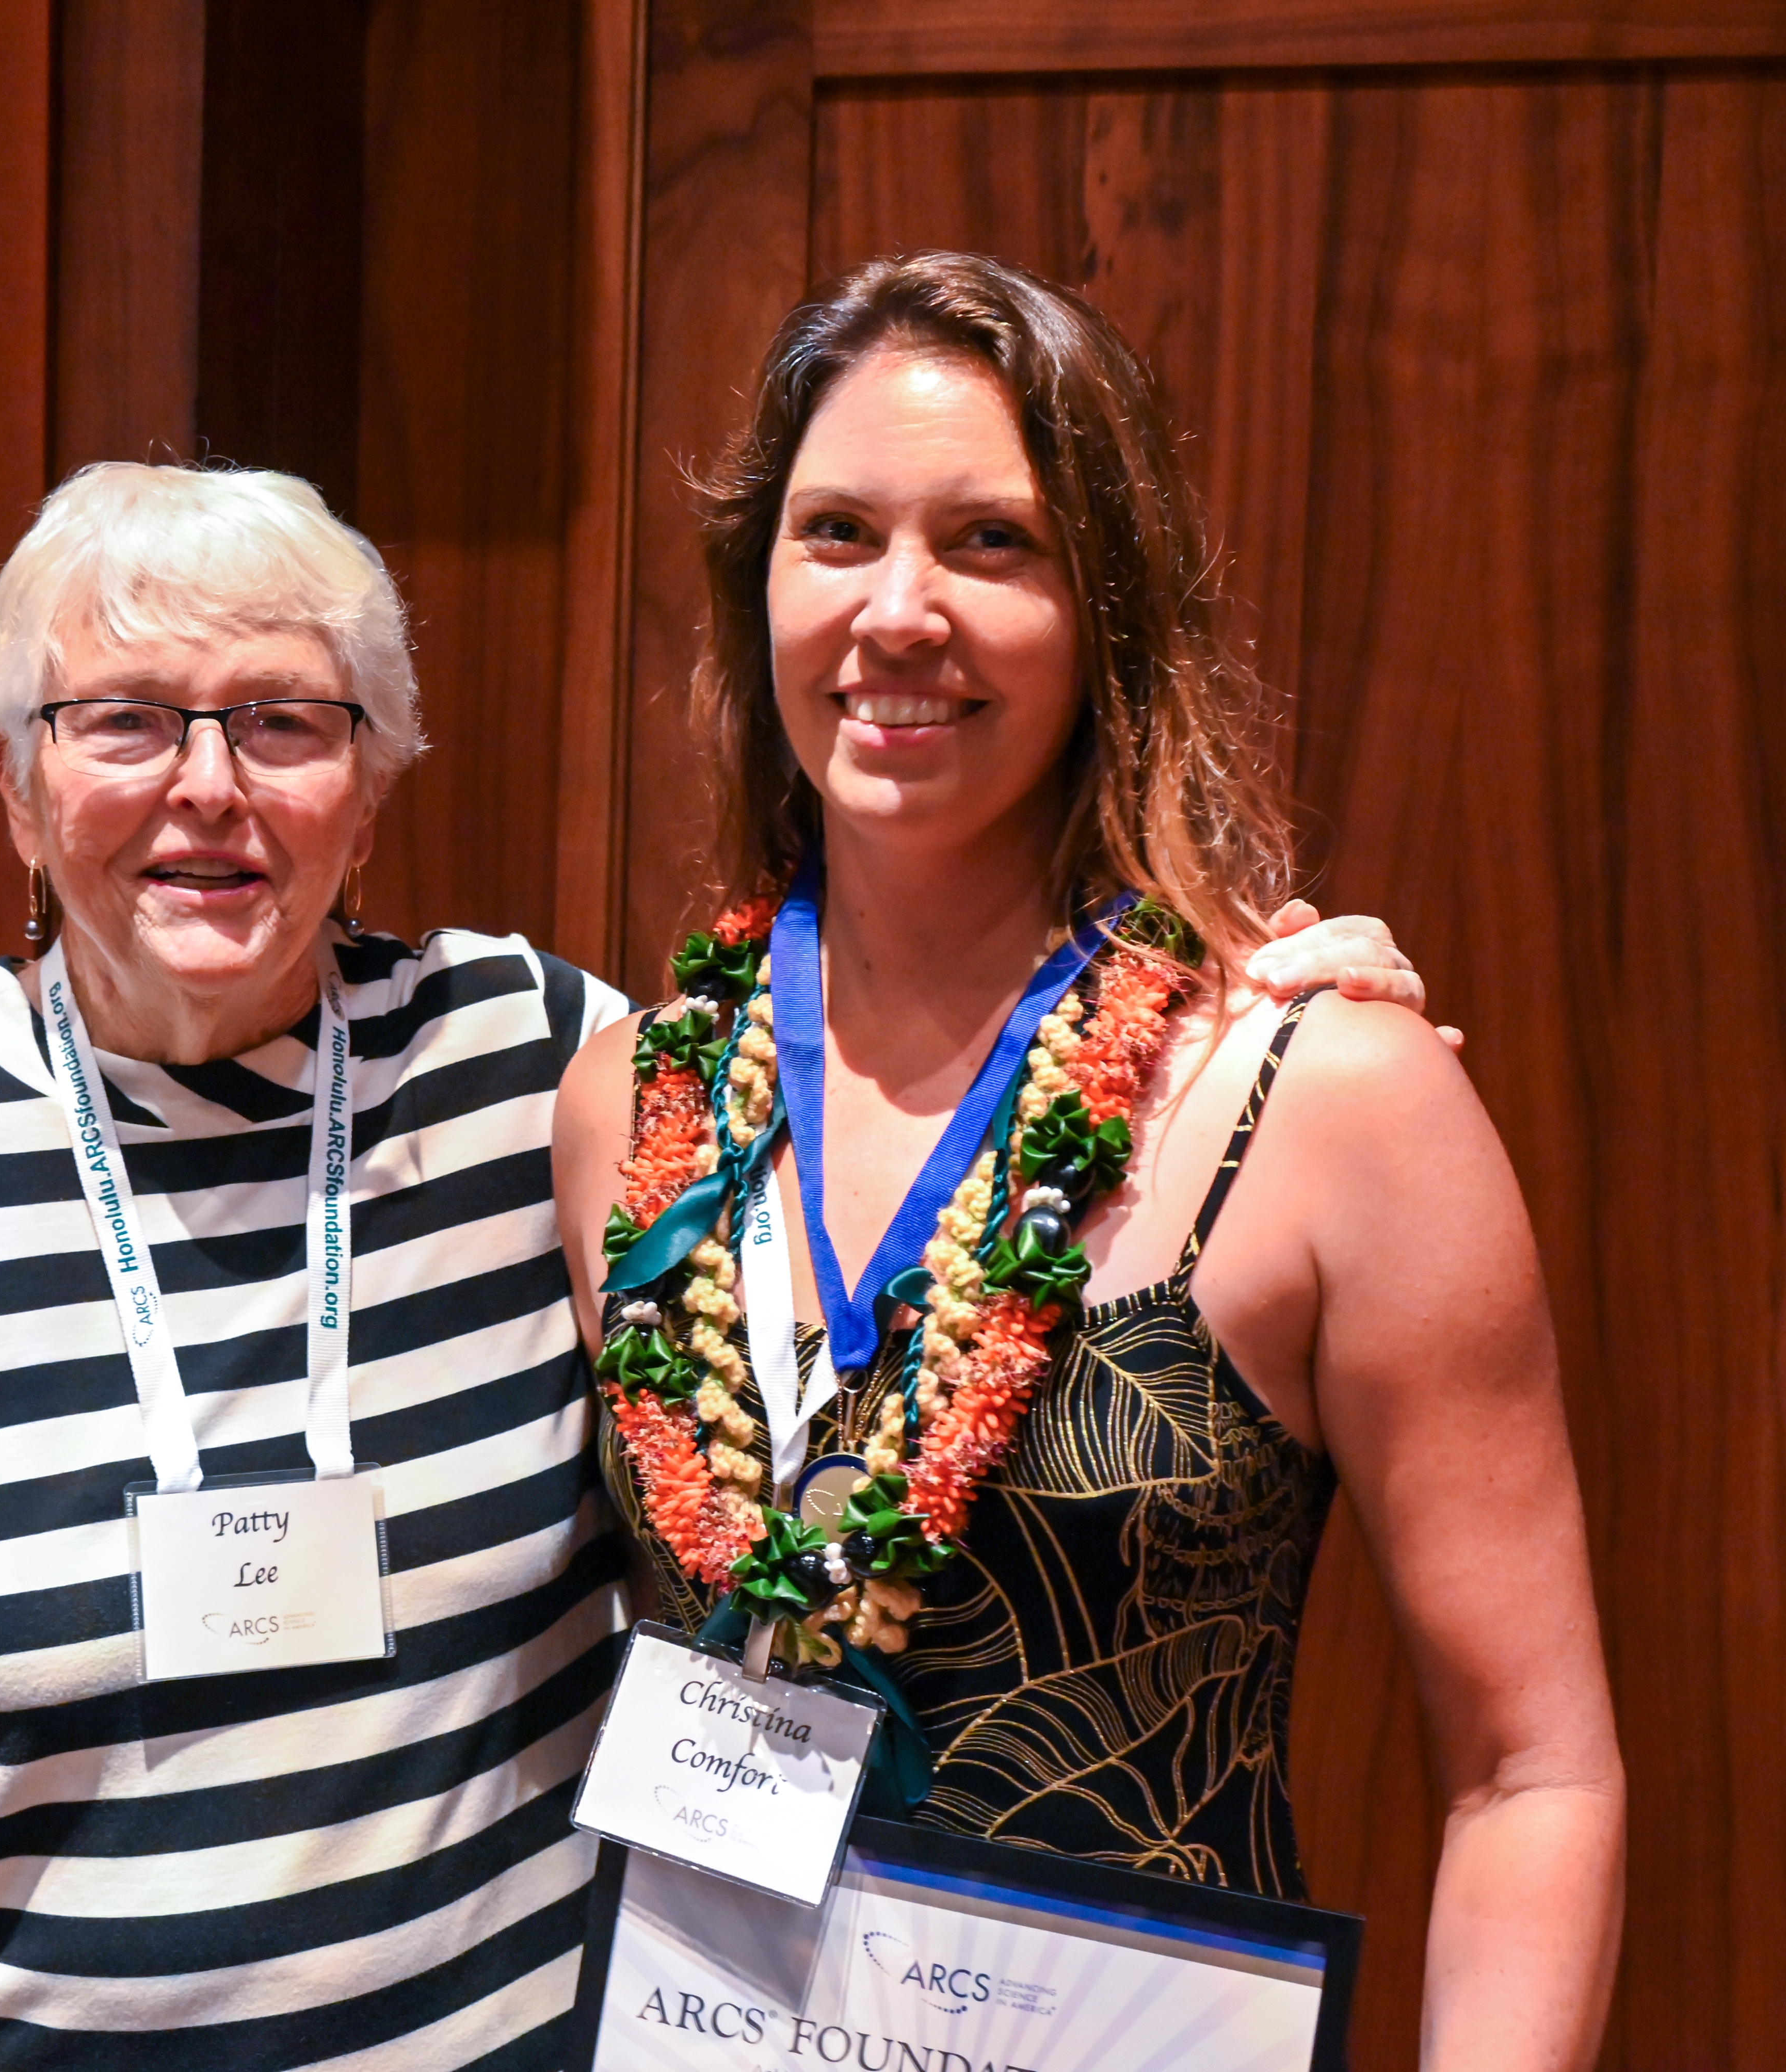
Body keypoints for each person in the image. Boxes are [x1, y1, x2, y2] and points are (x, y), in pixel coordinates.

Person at [0, 460, 1430, 2069]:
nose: (207, 789)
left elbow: (909, 1114)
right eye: (125, 722)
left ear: (369, 792)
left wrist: (1248, 994)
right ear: (12, 778)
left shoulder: (548, 1067)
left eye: (285, 724)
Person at [554, 253, 1626, 2070]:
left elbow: (1534, 1772)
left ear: (1107, 608)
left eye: (991, 543)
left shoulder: (1328, 1098)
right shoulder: (631, 1111)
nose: (900, 612)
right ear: (758, 599)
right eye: (835, 536)